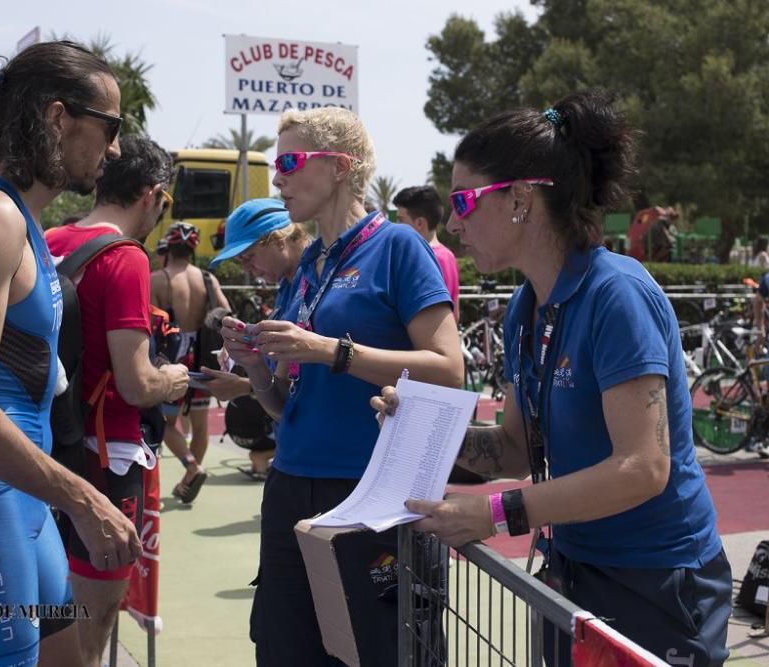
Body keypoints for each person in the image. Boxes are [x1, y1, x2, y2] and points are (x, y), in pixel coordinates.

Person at [373, 91, 730, 666]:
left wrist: (493, 513)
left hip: (655, 579)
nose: (455, 220)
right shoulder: (526, 305)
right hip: (574, 571)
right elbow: (515, 449)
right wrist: (424, 426)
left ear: (520, 198)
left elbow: (645, 468)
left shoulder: (617, 295)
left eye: (465, 200)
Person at [0, 41, 142, 666]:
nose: (115, 149)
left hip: (21, 497)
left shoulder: (19, 219)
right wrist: (84, 498)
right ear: (59, 118)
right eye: (111, 127)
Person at [220, 107, 463, 665]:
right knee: (284, 649)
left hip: (370, 495)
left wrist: (331, 351)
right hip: (291, 486)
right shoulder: (309, 264)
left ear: (338, 167)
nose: (276, 178)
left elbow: (449, 368)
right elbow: (285, 406)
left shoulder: (398, 247)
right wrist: (257, 368)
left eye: (287, 161)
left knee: (383, 651)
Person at [45, 134, 189, 664]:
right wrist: (173, 378)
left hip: (43, 441)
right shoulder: (126, 258)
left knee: (47, 603)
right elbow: (135, 384)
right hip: (105, 455)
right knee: (92, 612)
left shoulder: (51, 237)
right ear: (152, 195)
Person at [204, 198, 313, 478]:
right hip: (294, 446)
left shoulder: (315, 279)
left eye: (248, 257)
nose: (246, 270)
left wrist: (244, 385)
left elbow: (306, 382)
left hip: (313, 454)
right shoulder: (289, 285)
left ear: (278, 239)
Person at [150, 222, 231, 503]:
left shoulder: (158, 279)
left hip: (171, 356)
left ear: (168, 248)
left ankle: (192, 468)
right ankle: (189, 480)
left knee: (165, 422)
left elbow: (147, 321)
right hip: (203, 355)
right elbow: (226, 313)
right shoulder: (207, 278)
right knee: (200, 425)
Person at [393, 185, 459, 317]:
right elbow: (455, 314)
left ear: (419, 223)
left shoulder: (421, 258)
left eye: (401, 220)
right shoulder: (449, 256)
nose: (395, 225)